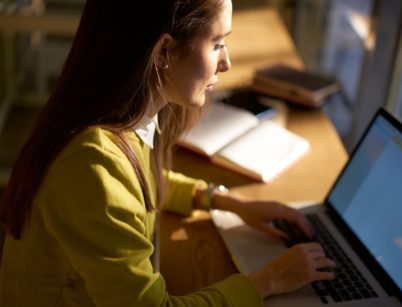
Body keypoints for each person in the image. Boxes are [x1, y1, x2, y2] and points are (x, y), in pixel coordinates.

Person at [0, 0, 336, 305]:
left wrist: (222, 201)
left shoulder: (124, 119)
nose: (227, 62)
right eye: (217, 43)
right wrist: (269, 280)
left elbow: (137, 185)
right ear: (163, 52)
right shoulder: (91, 163)